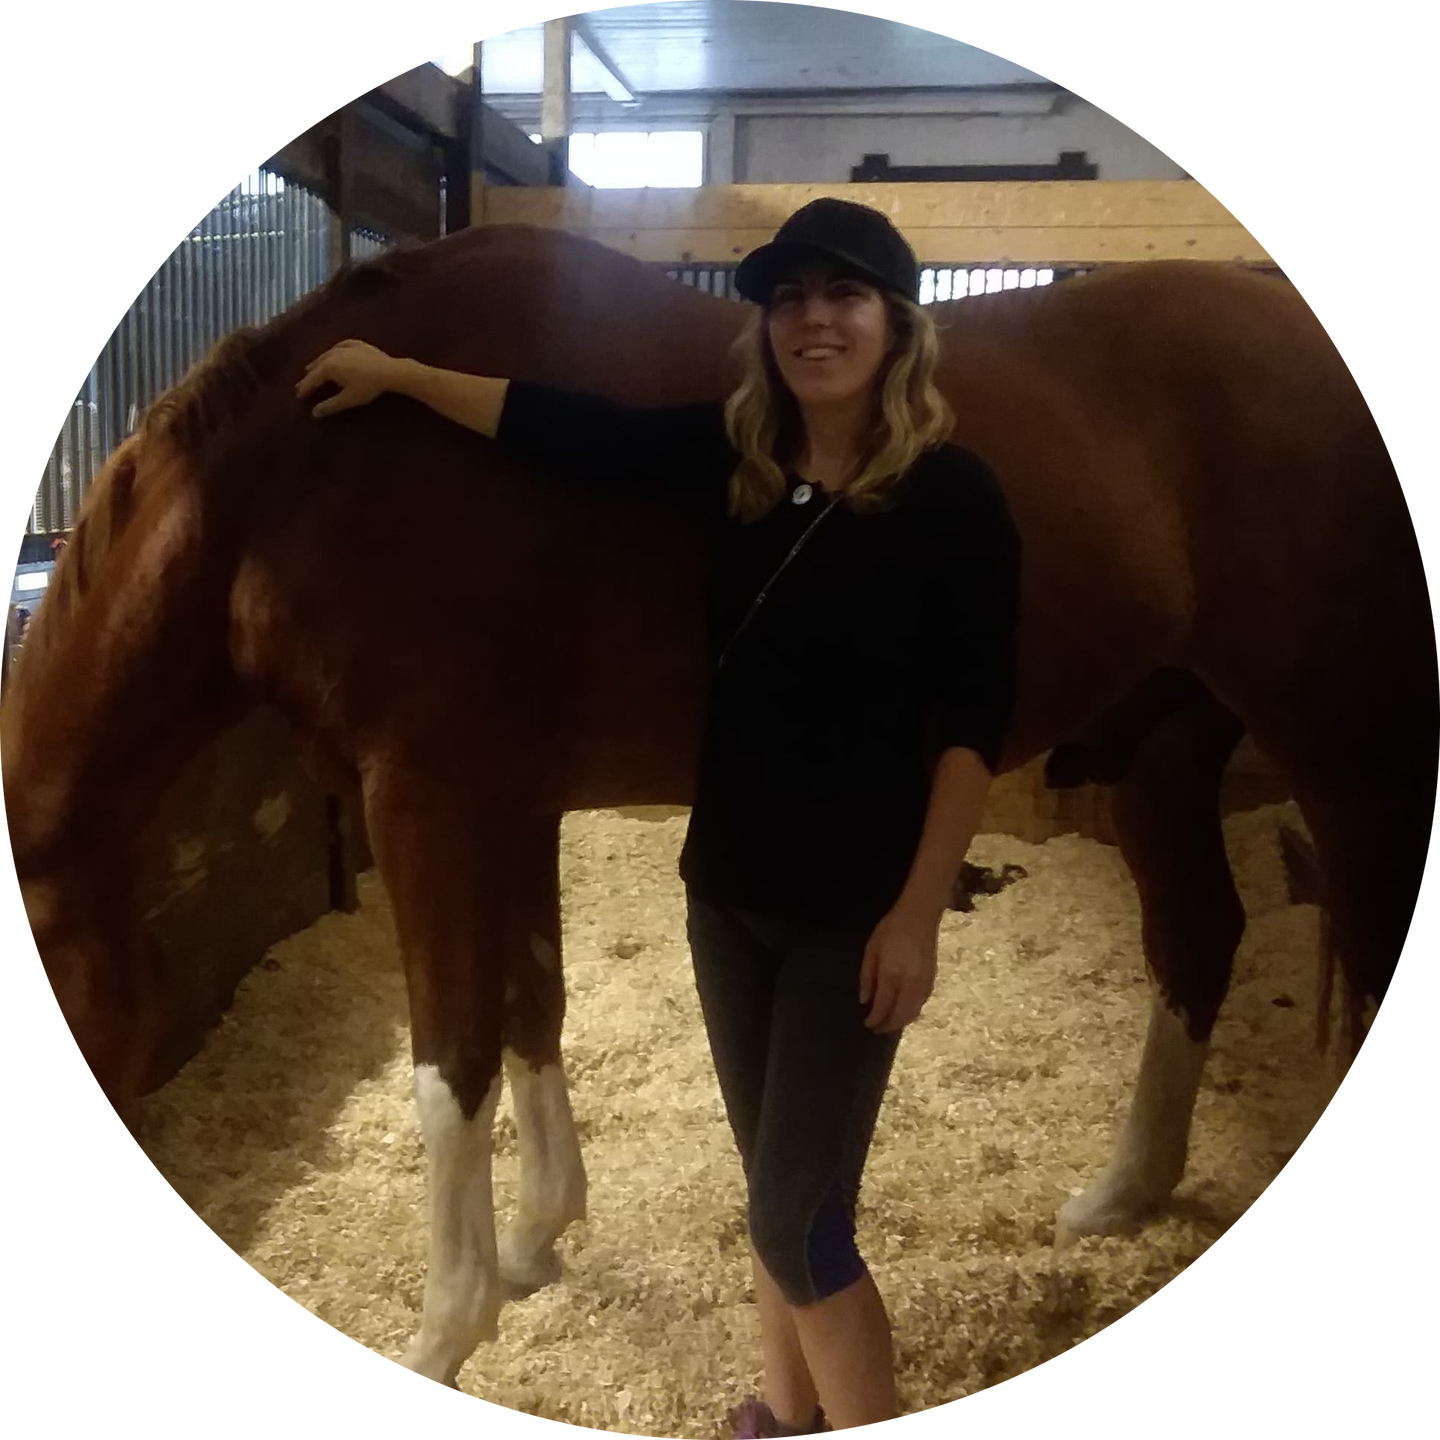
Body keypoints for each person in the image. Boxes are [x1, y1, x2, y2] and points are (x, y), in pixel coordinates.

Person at [297, 198, 1022, 1438]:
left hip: (851, 919)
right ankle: (782, 1416)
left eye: (844, 296)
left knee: (800, 1220)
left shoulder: (955, 499)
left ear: (898, 325)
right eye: (790, 298)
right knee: (769, 1189)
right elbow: (566, 428)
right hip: (725, 897)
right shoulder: (736, 464)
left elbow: (973, 727)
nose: (813, 320)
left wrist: (916, 917)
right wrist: (403, 375)